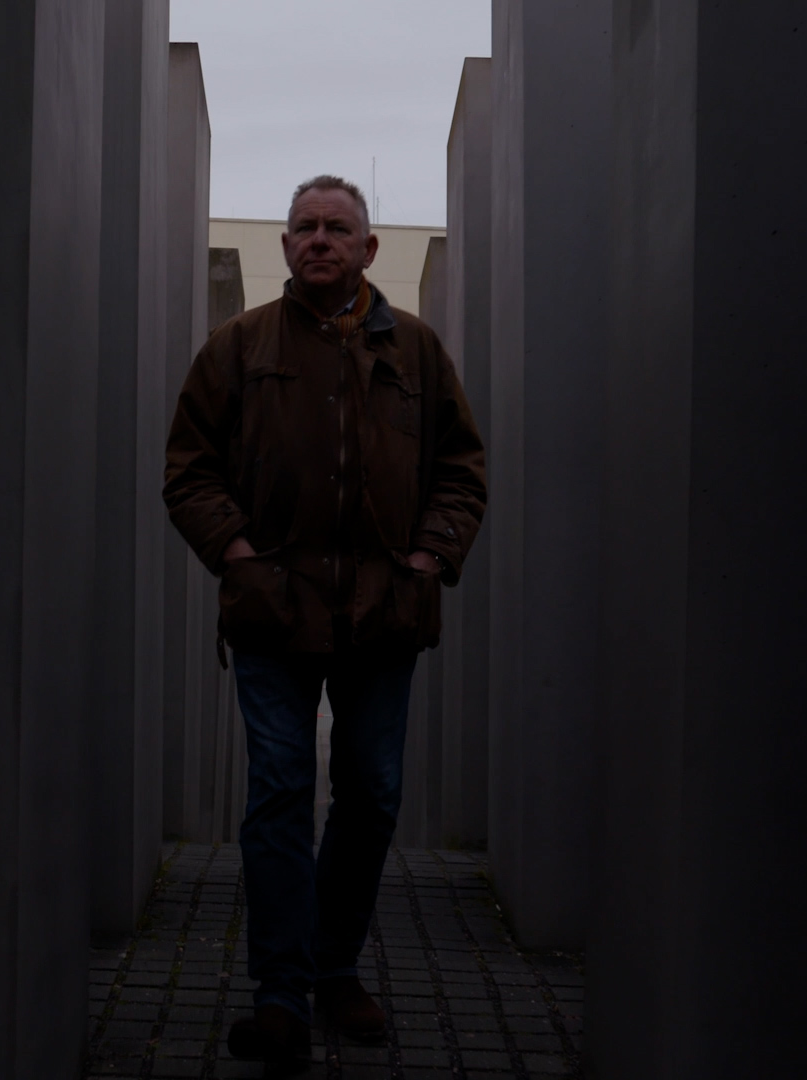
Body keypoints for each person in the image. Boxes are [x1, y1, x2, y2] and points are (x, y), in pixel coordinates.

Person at [164, 175, 488, 1063]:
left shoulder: (416, 352)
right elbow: (188, 469)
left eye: (336, 228)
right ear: (284, 246)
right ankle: (279, 991)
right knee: (277, 794)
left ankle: (334, 971)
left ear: (369, 249)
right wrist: (237, 555)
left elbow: (462, 466)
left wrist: (429, 556)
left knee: (372, 796)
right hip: (272, 609)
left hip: (385, 612)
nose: (318, 240)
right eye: (303, 227)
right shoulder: (237, 347)